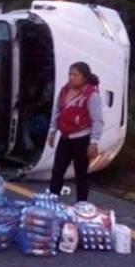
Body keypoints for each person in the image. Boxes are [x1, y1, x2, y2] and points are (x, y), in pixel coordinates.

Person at [48, 62, 103, 202]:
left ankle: (81, 205)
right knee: (57, 170)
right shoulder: (64, 91)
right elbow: (57, 111)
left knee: (81, 174)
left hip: (82, 139)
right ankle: (52, 200)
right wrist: (53, 131)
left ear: (84, 77)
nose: (71, 78)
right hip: (65, 138)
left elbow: (97, 120)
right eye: (70, 74)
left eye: (75, 75)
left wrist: (93, 142)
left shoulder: (91, 95)